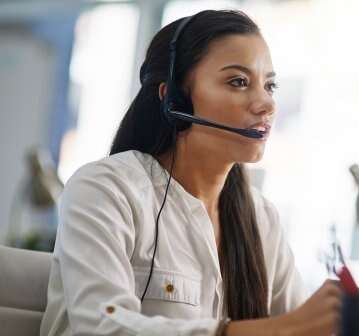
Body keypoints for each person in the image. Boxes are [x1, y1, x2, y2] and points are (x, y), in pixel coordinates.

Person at [40, 9, 342, 336]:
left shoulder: (261, 219)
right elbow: (101, 325)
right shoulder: (105, 190)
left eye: (270, 85)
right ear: (174, 97)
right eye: (238, 82)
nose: (266, 104)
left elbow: (299, 325)